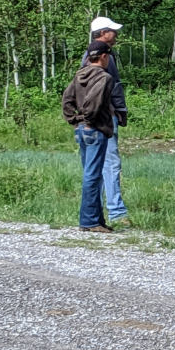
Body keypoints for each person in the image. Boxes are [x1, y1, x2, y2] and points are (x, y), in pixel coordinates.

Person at [62, 40, 118, 233]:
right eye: (108, 56)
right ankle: (89, 221)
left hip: (81, 130)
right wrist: (89, 118)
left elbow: (67, 99)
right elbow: (93, 103)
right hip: (96, 129)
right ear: (103, 56)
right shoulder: (104, 77)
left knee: (91, 174)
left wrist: (75, 119)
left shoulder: (79, 75)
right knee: (93, 176)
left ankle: (97, 220)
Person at [80, 16, 131, 227]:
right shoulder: (102, 58)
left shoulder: (91, 57)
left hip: (92, 119)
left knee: (95, 166)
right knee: (110, 163)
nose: (116, 34)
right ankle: (116, 211)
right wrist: (118, 109)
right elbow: (113, 87)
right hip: (104, 119)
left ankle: (95, 214)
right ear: (102, 33)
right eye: (112, 30)